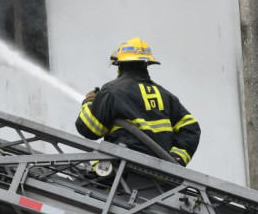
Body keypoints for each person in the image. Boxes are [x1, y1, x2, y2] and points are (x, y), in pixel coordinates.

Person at [75, 37, 200, 167]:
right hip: (160, 174)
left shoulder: (112, 90)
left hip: (122, 170)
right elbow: (191, 127)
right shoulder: (165, 95)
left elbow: (89, 129)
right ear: (146, 64)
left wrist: (89, 102)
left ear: (120, 65)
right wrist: (176, 157)